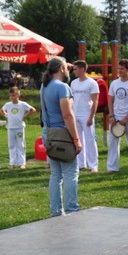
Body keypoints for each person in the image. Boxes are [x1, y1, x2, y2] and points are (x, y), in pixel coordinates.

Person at [41, 56, 82, 216]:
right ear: (61, 69)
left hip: (48, 133)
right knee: (71, 173)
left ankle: (55, 211)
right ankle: (72, 209)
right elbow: (67, 115)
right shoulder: (62, 87)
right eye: (65, 67)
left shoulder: (45, 86)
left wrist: (67, 66)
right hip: (62, 135)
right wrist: (76, 139)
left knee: (55, 174)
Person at [106, 59, 128, 174]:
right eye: (118, 68)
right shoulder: (115, 83)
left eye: (122, 69)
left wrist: (127, 118)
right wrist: (111, 115)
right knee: (113, 142)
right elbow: (110, 100)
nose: (119, 71)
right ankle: (112, 168)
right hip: (115, 116)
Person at [70, 61, 100, 172]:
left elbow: (95, 101)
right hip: (75, 114)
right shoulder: (73, 83)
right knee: (78, 140)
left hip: (86, 114)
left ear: (82, 69)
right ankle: (80, 164)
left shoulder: (92, 83)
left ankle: (93, 165)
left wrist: (91, 116)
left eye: (76, 69)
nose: (74, 71)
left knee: (90, 140)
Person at [2, 85, 36, 169]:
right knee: (11, 145)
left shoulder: (22, 104)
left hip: (19, 127)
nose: (12, 97)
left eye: (14, 95)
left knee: (20, 145)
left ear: (18, 95)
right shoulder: (8, 105)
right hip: (10, 127)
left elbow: (33, 110)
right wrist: (6, 115)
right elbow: (2, 110)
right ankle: (12, 162)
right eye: (11, 95)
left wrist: (24, 116)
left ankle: (22, 163)